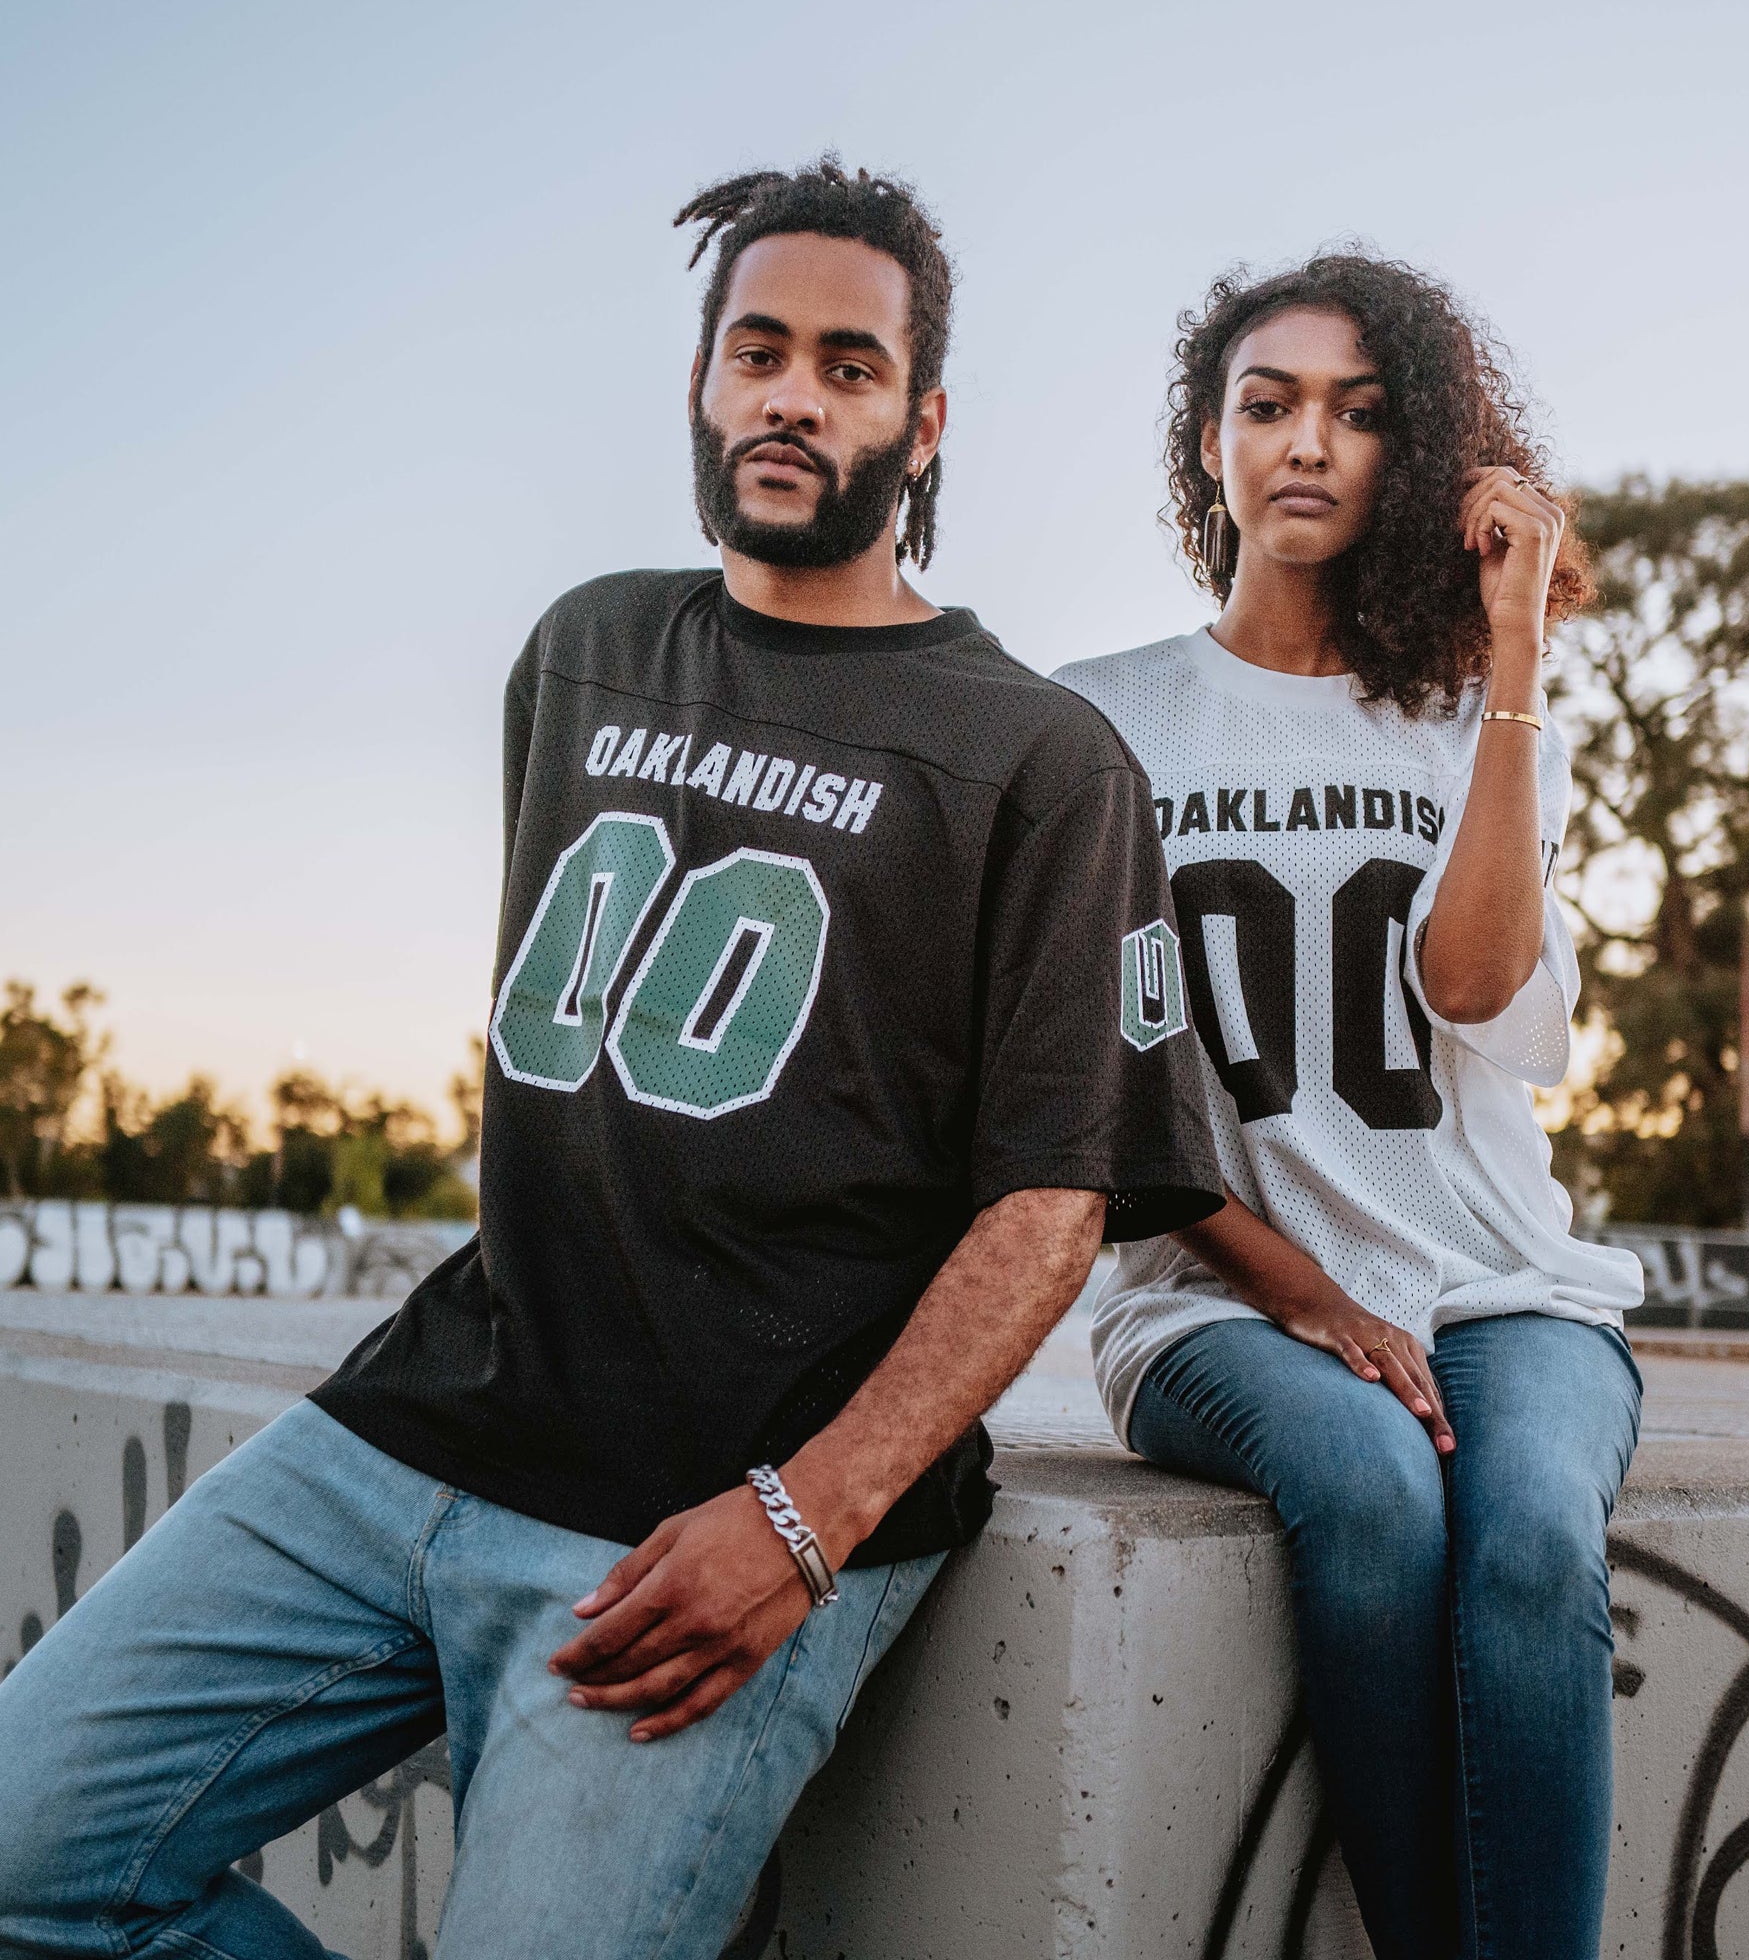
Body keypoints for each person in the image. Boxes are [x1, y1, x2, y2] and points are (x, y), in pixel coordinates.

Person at [0, 162, 1221, 1960]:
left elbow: (1053, 1207)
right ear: (705, 382)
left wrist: (803, 1524)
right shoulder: (582, 647)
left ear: (926, 417)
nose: (793, 396)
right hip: (416, 1428)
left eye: (850, 366)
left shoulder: (1037, 754)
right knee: (27, 1861)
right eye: (758, 351)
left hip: (708, 1528)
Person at [1054, 252, 1645, 1960]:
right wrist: (1300, 1289)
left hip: (1497, 1286)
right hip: (1214, 1298)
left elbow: (1469, 993)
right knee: (1375, 1494)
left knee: (1532, 1543)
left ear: (1417, 460)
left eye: (1361, 413)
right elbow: (1090, 1086)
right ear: (1210, 446)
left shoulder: (1468, 714)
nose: (1308, 441)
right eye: (1268, 402)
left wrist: (1516, 652)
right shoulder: (1097, 722)